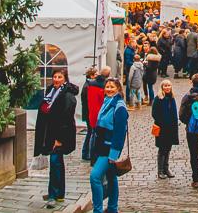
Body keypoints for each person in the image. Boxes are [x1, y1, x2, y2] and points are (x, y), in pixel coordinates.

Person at [33, 69, 78, 207]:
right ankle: (59, 194)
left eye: (60, 77)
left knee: (54, 164)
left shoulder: (67, 95)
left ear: (65, 79)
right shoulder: (50, 92)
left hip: (59, 136)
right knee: (58, 164)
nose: (57, 79)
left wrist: (59, 139)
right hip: (49, 134)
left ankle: (52, 195)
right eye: (55, 77)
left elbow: (66, 118)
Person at [89, 78, 129, 213]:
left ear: (118, 88)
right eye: (107, 87)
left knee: (95, 176)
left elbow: (120, 132)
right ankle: (112, 208)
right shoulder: (107, 101)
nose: (109, 89)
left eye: (112, 87)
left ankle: (98, 210)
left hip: (109, 148)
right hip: (101, 146)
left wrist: (114, 154)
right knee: (111, 177)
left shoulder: (119, 106)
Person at [151, 80, 179, 179]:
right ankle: (160, 171)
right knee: (162, 149)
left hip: (171, 128)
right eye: (165, 86)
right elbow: (154, 113)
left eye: (169, 86)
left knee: (168, 149)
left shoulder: (172, 98)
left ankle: (166, 169)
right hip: (162, 128)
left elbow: (174, 113)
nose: (167, 87)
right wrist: (162, 122)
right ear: (162, 87)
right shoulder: (158, 99)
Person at [80, 66, 106, 161]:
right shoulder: (88, 86)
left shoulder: (89, 84)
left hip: (88, 112)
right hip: (89, 113)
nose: (96, 76)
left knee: (90, 133)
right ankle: (87, 153)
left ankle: (86, 152)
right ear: (91, 75)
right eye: (95, 74)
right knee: (90, 133)